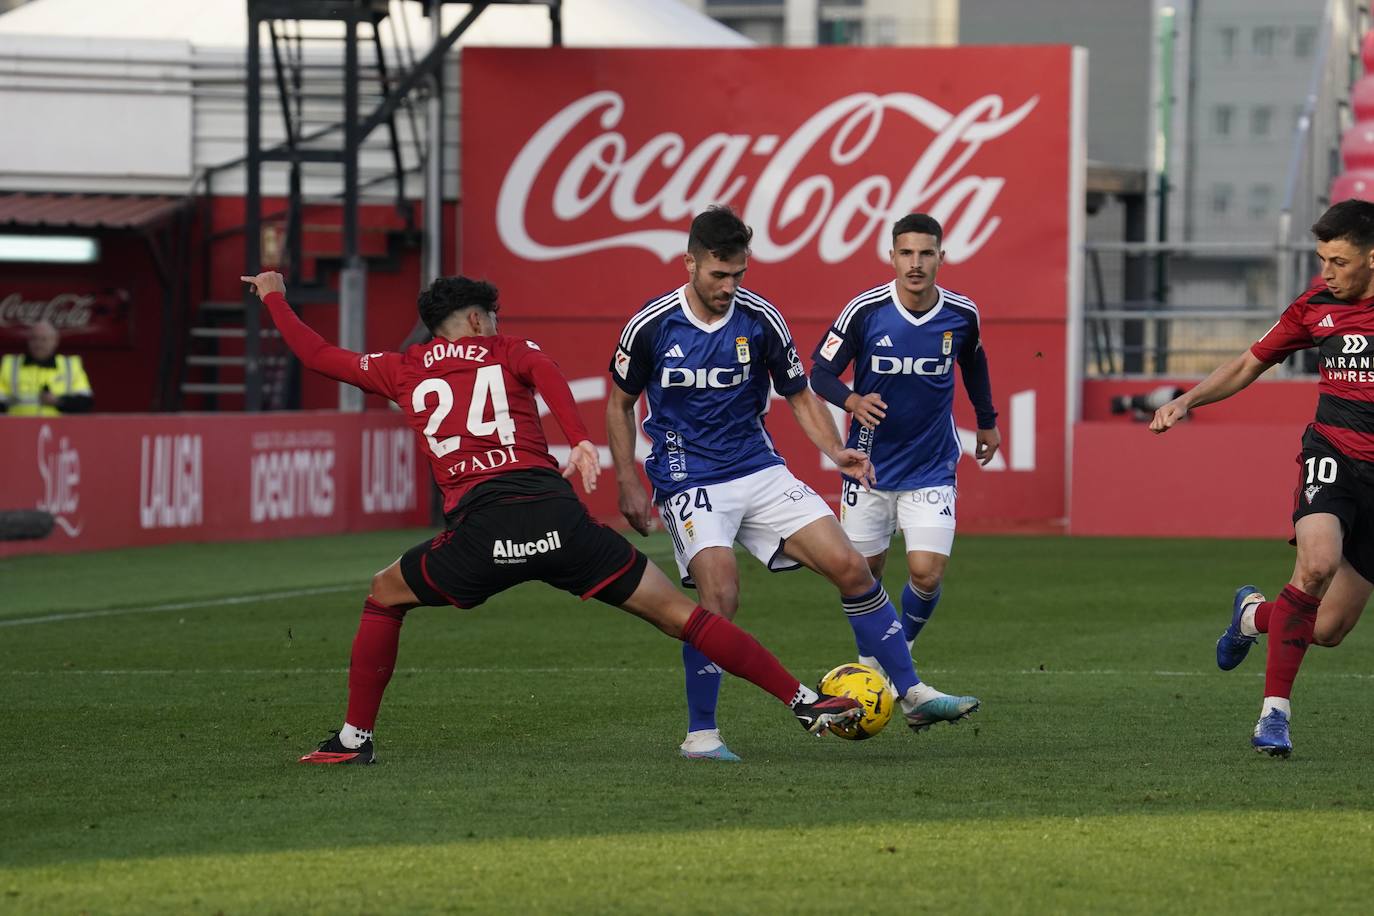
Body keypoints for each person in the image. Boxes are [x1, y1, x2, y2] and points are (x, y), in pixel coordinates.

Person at [238, 270, 863, 765]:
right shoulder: (510, 349)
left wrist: (274, 298)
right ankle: (803, 699)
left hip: (482, 536)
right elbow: (547, 372)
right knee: (686, 616)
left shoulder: (401, 369)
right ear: (480, 320)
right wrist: (579, 438)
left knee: (383, 596)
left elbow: (316, 354)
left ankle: (354, 738)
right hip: (560, 524)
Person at [606, 206, 979, 763]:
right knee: (720, 597)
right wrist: (627, 480)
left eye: (738, 276)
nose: (729, 287)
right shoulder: (653, 324)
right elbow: (619, 401)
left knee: (851, 567)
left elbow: (800, 392)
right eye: (718, 275)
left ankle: (913, 693)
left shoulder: (760, 318)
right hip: (688, 477)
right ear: (690, 263)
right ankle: (701, 734)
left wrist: (835, 451)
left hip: (759, 468)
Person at [1150, 198, 1374, 758]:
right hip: (1334, 455)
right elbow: (1251, 362)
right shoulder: (1315, 307)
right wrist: (1189, 400)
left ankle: (1253, 616)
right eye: (1322, 259)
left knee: (1328, 628)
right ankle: (1274, 716)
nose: (1327, 272)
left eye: (1339, 262)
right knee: (1316, 563)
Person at [809, 213, 997, 692]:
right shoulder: (865, 311)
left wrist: (988, 421)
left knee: (926, 574)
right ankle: (874, 663)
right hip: (869, 466)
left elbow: (973, 361)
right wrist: (851, 400)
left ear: (941, 258)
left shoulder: (962, 314)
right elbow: (820, 374)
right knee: (863, 575)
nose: (916, 264)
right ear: (891, 256)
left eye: (926, 253)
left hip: (932, 465)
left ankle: (898, 655)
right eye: (907, 253)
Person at [0, 320, 94, 416]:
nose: (39, 344)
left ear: (55, 341)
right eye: (34, 338)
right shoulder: (10, 364)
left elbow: (84, 403)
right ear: (28, 341)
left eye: (44, 339)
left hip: (59, 429)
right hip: (18, 428)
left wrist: (58, 401)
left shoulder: (71, 365)